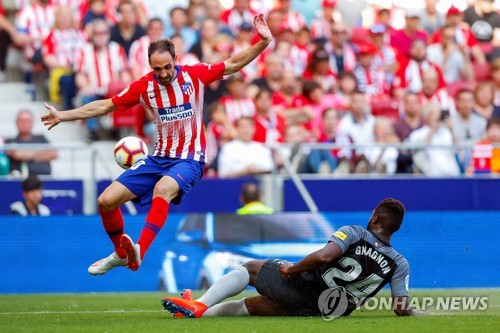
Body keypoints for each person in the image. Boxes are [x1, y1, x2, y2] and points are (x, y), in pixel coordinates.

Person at [41, 14, 272, 275]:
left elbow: (233, 63)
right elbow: (105, 105)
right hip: (158, 158)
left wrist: (263, 42)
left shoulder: (195, 76)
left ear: (175, 60)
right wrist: (63, 115)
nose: (162, 74)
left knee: (163, 188)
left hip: (190, 159)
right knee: (106, 200)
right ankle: (120, 252)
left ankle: (139, 250)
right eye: (156, 69)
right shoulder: (144, 87)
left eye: (166, 67)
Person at [162, 198, 415, 318]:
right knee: (254, 305)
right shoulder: (399, 263)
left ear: (374, 218)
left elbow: (324, 256)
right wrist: (420, 313)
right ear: (397, 228)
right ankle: (196, 312)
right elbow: (400, 309)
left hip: (305, 288)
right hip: (326, 312)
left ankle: (199, 304)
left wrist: (292, 270)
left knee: (250, 268)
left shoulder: (354, 232)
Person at [6, 110, 58, 176]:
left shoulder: (41, 138)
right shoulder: (11, 140)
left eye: (27, 121)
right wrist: (42, 151)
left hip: (45, 180)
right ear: (16, 122)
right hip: (21, 182)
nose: (25, 124)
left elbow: (54, 153)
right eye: (22, 121)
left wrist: (27, 156)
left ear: (32, 123)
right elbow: (18, 155)